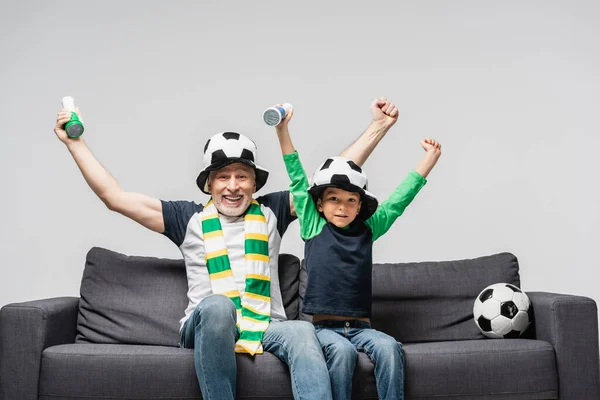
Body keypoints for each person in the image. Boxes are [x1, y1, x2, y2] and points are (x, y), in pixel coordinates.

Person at [52, 98, 399, 400]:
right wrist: (74, 144)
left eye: (242, 176)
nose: (233, 186)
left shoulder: (271, 212)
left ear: (254, 183)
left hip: (267, 325)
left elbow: (332, 181)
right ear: (209, 184)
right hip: (207, 325)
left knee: (302, 329)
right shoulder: (185, 217)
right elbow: (115, 198)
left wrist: (377, 127)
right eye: (222, 177)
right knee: (217, 307)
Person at [272, 102, 442, 400]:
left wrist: (429, 160)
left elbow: (398, 201)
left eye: (351, 200)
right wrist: (282, 130)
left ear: (360, 206)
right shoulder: (313, 225)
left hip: (363, 328)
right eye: (334, 199)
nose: (342, 206)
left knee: (390, 349)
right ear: (320, 205)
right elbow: (297, 178)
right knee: (342, 354)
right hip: (325, 329)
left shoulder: (369, 228)